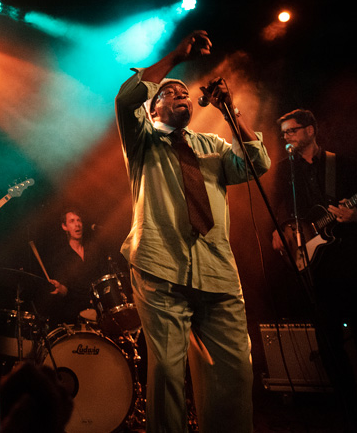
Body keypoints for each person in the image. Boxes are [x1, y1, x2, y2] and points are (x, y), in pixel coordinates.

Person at [114, 30, 270, 433]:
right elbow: (126, 97)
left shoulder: (212, 145)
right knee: (166, 371)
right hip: (160, 268)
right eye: (170, 92)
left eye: (185, 91)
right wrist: (175, 57)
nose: (181, 94)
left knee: (235, 373)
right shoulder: (142, 141)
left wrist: (231, 111)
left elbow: (256, 163)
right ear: (152, 109)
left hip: (217, 272)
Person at [271, 108, 357, 425]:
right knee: (329, 344)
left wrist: (356, 216)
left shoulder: (341, 164)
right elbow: (277, 209)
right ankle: (350, 412)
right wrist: (277, 232)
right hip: (315, 268)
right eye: (284, 132)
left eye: (292, 130)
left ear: (311, 130)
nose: (286, 136)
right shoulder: (284, 171)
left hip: (352, 263)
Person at [46, 209, 108, 327]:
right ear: (65, 227)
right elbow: (66, 290)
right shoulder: (61, 256)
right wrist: (59, 288)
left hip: (98, 308)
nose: (77, 224)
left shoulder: (93, 250)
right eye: (72, 221)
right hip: (74, 313)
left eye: (79, 220)